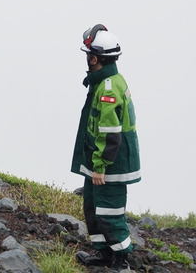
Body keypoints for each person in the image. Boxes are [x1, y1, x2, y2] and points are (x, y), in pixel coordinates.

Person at [71, 24, 141, 271]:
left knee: (109, 212)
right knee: (92, 206)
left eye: (88, 55)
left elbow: (110, 135)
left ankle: (121, 261)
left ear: (95, 58)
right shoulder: (104, 82)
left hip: (110, 163)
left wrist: (100, 167)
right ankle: (103, 254)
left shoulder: (109, 88)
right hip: (98, 161)